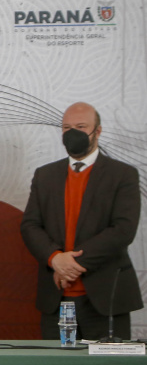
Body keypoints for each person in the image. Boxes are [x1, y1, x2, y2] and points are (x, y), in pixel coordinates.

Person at [20, 102, 142, 340]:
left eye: (80, 126)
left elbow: (123, 229)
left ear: (98, 131)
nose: (72, 133)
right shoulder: (45, 175)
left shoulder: (123, 174)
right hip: (56, 298)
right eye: (66, 127)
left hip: (105, 298)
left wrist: (69, 266)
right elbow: (30, 225)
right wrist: (55, 259)